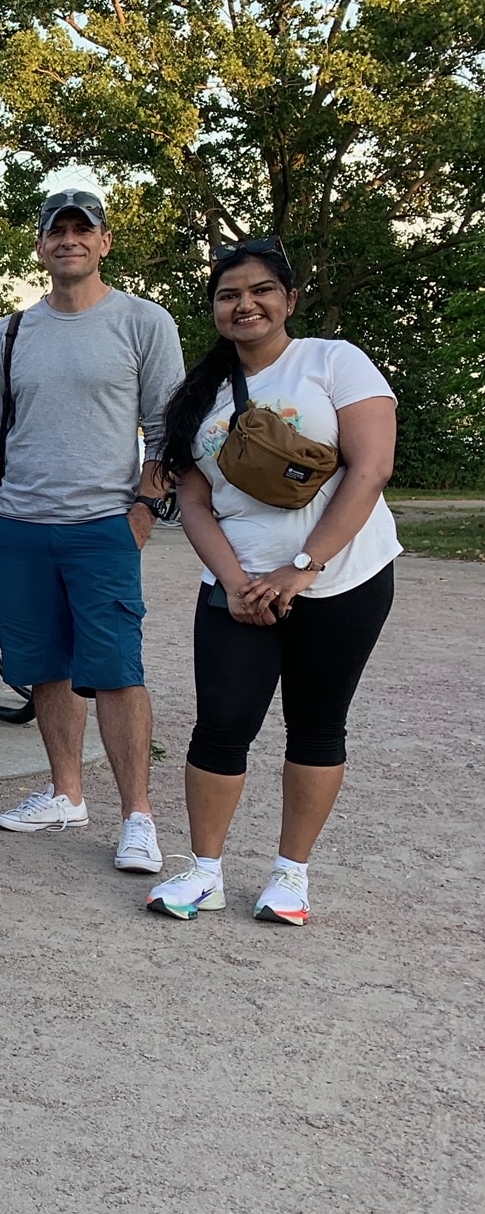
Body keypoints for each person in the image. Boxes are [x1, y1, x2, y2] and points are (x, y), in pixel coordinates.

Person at [146, 239, 399, 926]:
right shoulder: (196, 397)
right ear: (215, 309)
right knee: (220, 728)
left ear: (288, 299)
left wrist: (303, 567)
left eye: (260, 290)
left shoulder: (332, 362)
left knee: (317, 726)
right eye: (228, 294)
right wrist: (235, 582)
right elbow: (193, 502)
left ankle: (291, 877)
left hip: (343, 578)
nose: (244, 304)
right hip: (237, 586)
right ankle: (204, 872)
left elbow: (371, 469)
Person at [0, 189, 185, 871]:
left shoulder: (144, 322)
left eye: (81, 229)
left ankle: (138, 818)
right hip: (22, 527)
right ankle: (66, 793)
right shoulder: (11, 332)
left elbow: (168, 429)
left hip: (103, 526)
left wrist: (142, 515)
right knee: (44, 668)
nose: (69, 240)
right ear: (40, 247)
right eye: (56, 230)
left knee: (117, 670)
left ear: (104, 241)